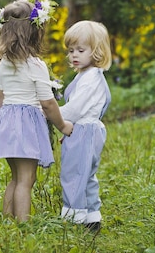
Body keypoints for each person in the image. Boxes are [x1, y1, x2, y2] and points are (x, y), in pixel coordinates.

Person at [0, 0, 74, 222]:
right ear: (35, 33)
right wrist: (63, 125)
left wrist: (1, 120)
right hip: (26, 127)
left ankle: (7, 222)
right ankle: (23, 225)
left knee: (15, 178)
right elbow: (47, 103)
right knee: (27, 180)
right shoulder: (36, 65)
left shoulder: (3, 63)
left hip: (6, 123)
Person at [58, 20, 112, 233]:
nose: (74, 55)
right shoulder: (86, 75)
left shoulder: (90, 78)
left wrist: (53, 115)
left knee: (74, 173)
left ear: (97, 51)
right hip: (86, 130)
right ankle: (92, 216)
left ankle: (75, 217)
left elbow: (74, 109)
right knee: (87, 173)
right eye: (71, 51)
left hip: (85, 130)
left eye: (81, 50)